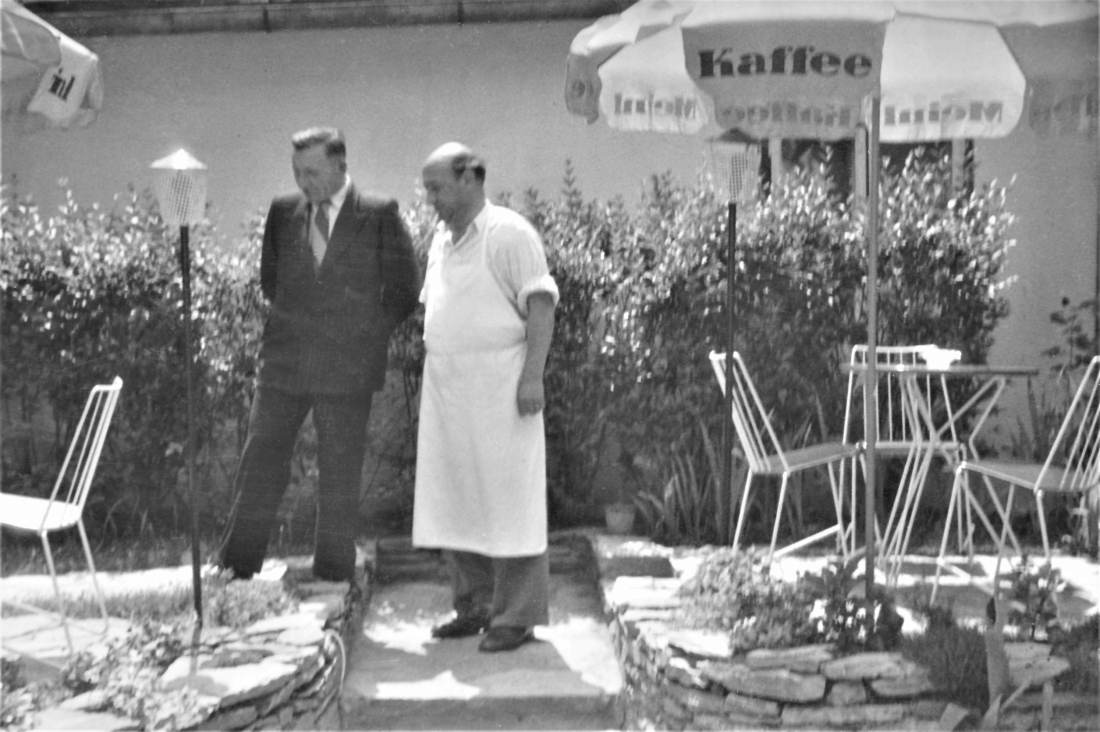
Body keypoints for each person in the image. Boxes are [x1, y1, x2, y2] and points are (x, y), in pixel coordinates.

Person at [219, 127, 421, 582]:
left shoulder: (377, 213)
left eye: (311, 172)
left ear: (340, 166)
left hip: (347, 366)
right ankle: (235, 567)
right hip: (285, 361)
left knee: (340, 466)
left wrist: (363, 334)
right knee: (262, 455)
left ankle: (333, 571)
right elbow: (271, 282)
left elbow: (405, 289)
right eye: (297, 172)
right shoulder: (283, 211)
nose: (302, 181)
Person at [413, 142, 559, 653]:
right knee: (455, 497)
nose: (430, 198)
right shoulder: (441, 239)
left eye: (437, 187)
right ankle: (472, 604)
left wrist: (532, 377)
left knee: (509, 500)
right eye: (427, 188)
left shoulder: (509, 234)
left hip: (502, 385)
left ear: (471, 178)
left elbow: (541, 307)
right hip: (449, 389)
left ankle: (515, 617)